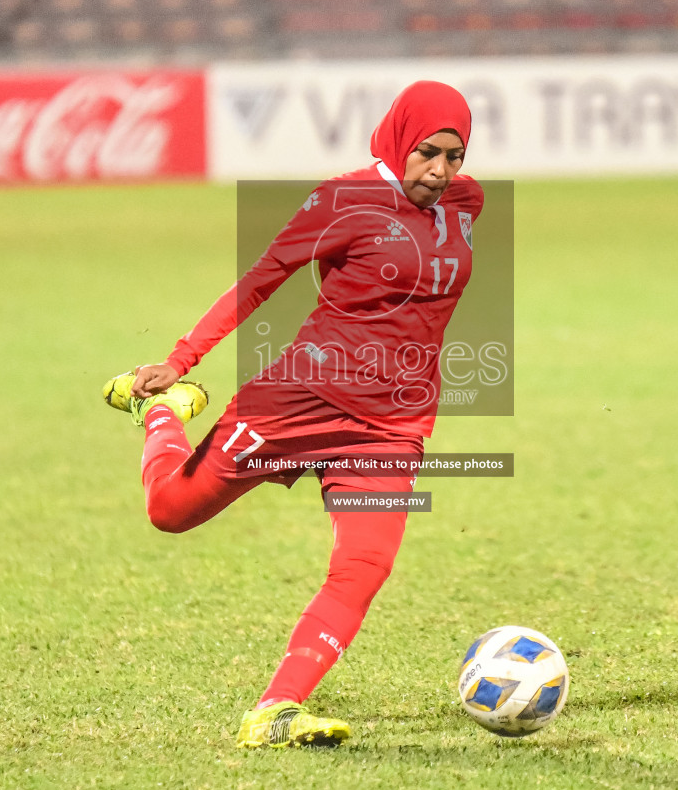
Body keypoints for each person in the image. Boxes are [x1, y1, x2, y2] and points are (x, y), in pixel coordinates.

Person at [102, 80, 484, 749]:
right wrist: (181, 361)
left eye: (454, 156)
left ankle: (275, 709)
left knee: (364, 565)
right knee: (170, 511)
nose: (441, 171)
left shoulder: (466, 203)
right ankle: (163, 416)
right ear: (400, 138)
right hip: (301, 400)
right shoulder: (344, 200)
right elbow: (261, 277)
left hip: (392, 424)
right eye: (428, 152)